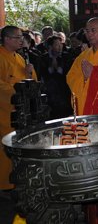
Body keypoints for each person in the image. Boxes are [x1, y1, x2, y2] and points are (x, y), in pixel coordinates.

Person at [0, 26, 36, 191]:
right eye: (18, 37)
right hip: (5, 112)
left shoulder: (21, 58)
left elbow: (31, 82)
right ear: (7, 39)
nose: (21, 40)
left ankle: (17, 182)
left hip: (22, 112)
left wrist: (30, 72)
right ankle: (5, 185)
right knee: (4, 149)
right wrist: (17, 89)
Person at [39, 35, 73, 119]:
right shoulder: (43, 58)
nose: (60, 47)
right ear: (50, 47)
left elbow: (67, 73)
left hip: (65, 93)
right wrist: (52, 63)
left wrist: (58, 68)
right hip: (51, 95)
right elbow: (44, 75)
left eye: (60, 44)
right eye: (57, 45)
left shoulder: (67, 56)